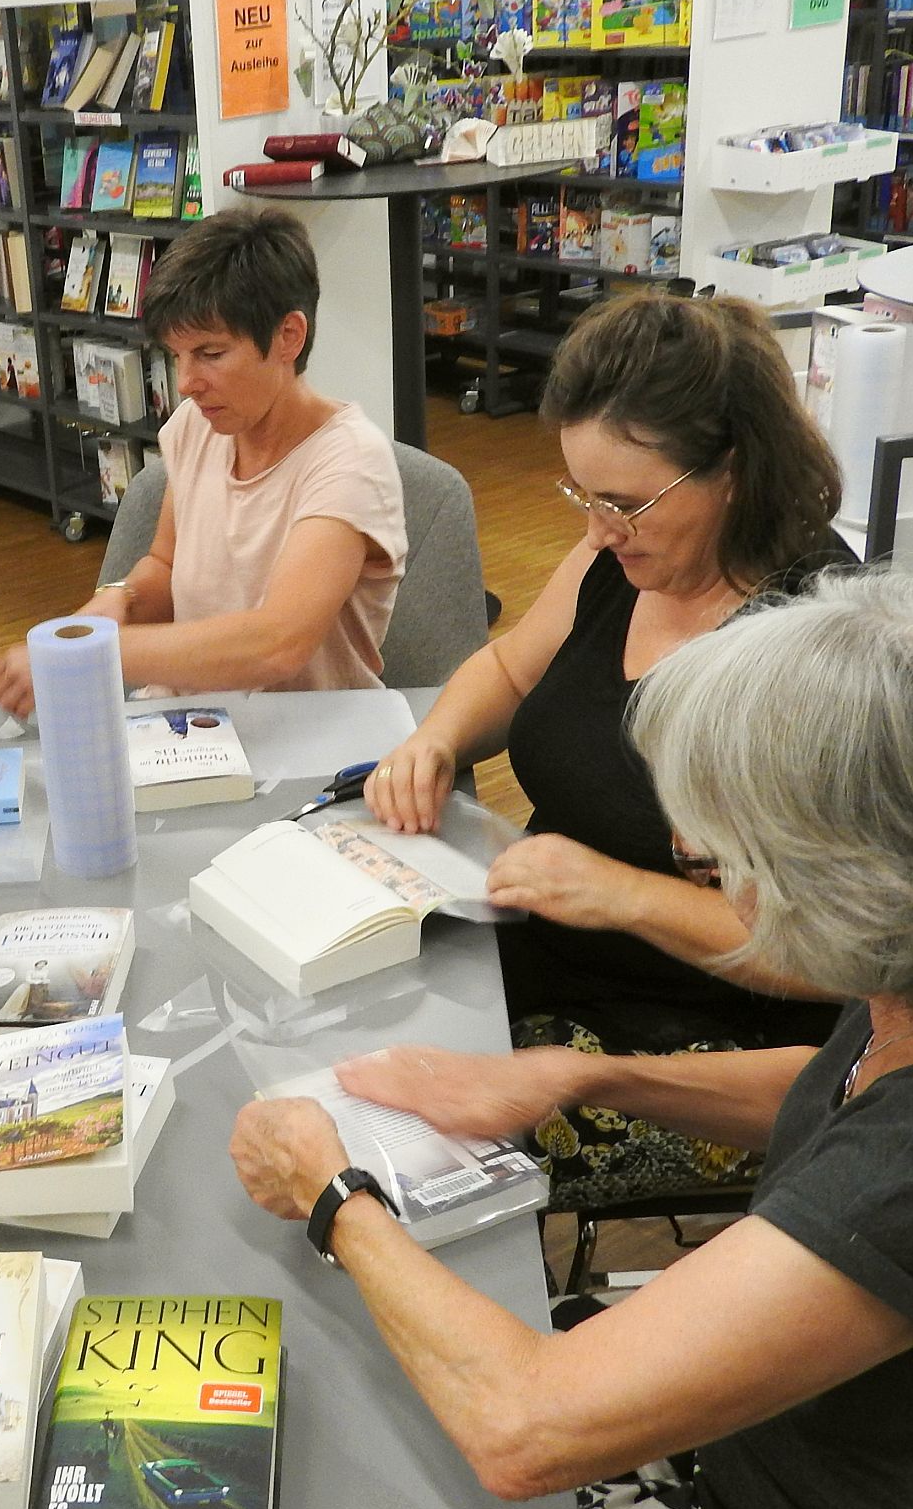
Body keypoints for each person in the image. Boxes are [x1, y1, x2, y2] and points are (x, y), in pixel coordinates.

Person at [234, 567, 913, 1509]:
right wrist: (587, 1076)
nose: (701, 871)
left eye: (721, 863)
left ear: (865, 883)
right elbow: (850, 1094)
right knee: (371, 1386)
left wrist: (335, 1192)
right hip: (861, 1451)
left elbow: (521, 1429)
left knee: (371, 1504)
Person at [365, 291, 851, 1209]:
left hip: (716, 1039)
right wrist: (434, 740)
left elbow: (833, 953)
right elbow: (511, 672)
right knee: (345, 1016)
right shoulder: (622, 561)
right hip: (555, 946)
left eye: (625, 503)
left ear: (734, 469)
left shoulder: (817, 655)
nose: (596, 530)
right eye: (582, 496)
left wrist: (618, 892)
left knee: (400, 1148)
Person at [0, 208, 406, 717]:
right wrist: (121, 600)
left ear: (289, 337)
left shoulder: (350, 463)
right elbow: (165, 565)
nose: (186, 383)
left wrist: (92, 652)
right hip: (194, 725)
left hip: (309, 740)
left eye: (210, 353)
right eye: (177, 355)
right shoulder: (197, 425)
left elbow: (277, 644)